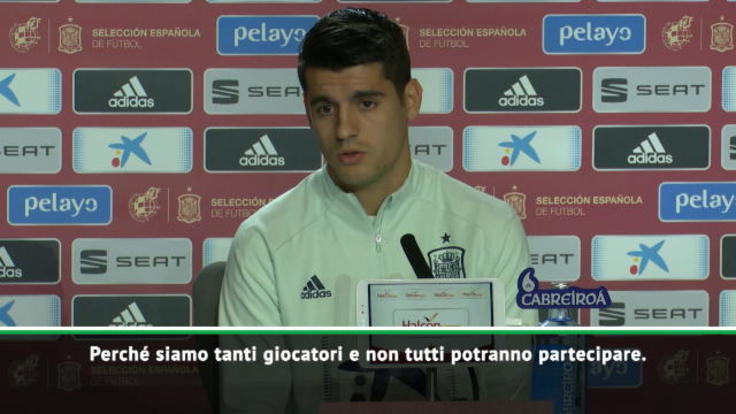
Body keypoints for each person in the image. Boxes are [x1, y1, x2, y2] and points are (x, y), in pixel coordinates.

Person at [218, 7, 537, 412]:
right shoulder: (264, 240)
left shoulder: (490, 227)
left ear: (410, 100)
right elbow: (252, 405)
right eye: (325, 108)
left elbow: (508, 396)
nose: (344, 129)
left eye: (366, 103)